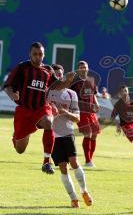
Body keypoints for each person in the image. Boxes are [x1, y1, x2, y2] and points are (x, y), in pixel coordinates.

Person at [4, 42, 75, 174]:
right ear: (29, 54)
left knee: (49, 121)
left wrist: (68, 80)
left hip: (41, 108)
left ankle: (46, 162)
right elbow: (7, 85)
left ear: (44, 55)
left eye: (40, 54)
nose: (38, 57)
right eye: (35, 54)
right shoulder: (22, 67)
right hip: (24, 110)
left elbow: (57, 86)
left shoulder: (48, 70)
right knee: (20, 150)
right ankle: (17, 136)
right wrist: (12, 95)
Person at [48, 64, 93, 208]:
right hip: (53, 135)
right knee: (62, 167)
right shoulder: (47, 93)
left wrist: (64, 112)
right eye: (55, 74)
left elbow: (77, 118)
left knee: (74, 163)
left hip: (67, 133)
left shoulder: (71, 94)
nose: (58, 77)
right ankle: (73, 198)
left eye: (60, 74)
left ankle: (84, 191)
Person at [70, 61, 100, 167]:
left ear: (88, 68)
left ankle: (90, 159)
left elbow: (94, 94)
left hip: (91, 112)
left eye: (85, 67)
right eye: (81, 67)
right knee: (88, 133)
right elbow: (70, 96)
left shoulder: (91, 80)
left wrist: (96, 104)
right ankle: (88, 161)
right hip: (81, 111)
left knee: (95, 134)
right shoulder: (74, 82)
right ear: (78, 69)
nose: (83, 69)